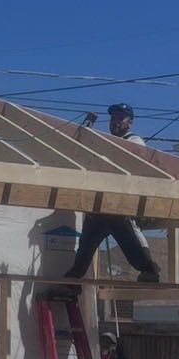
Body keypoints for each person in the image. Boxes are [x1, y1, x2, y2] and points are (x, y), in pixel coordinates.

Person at [61, 103, 161, 284]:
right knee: (85, 248)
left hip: (117, 204)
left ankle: (150, 271)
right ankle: (72, 281)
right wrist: (87, 132)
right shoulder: (106, 143)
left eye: (120, 119)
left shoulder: (134, 141)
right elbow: (86, 153)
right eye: (113, 119)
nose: (115, 122)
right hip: (99, 206)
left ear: (129, 123)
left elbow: (129, 158)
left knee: (129, 239)